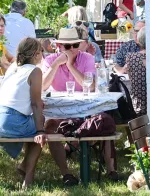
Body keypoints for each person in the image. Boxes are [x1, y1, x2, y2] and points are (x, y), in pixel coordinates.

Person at [41, 28, 119, 183]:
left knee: (105, 120)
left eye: (75, 45)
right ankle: (66, 174)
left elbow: (89, 86)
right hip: (59, 111)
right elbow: (42, 86)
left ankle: (111, 170)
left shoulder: (87, 58)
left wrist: (70, 65)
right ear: (59, 46)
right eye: (67, 46)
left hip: (85, 109)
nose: (72, 50)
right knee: (49, 126)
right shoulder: (50, 60)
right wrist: (56, 65)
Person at [0, 38, 47, 188]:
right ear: (35, 53)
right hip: (7, 120)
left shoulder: (13, 67)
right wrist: (40, 130)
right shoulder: (35, 71)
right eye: (41, 51)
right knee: (41, 127)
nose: (42, 55)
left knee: (31, 123)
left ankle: (24, 165)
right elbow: (36, 104)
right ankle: (28, 177)